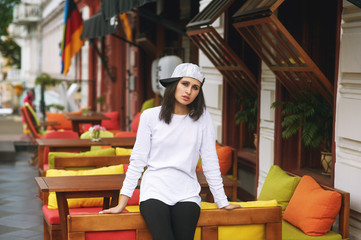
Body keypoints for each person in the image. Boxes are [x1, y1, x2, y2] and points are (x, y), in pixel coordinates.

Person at [101, 63, 240, 240]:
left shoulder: (202, 118)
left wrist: (222, 201)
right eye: (185, 84)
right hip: (154, 192)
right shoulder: (150, 116)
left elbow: (210, 162)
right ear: (174, 84)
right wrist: (122, 202)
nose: (189, 91)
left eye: (195, 87)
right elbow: (138, 161)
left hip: (187, 193)